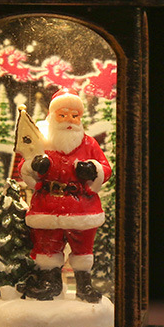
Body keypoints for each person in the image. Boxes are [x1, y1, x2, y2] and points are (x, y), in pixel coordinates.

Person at [18, 88, 112, 302]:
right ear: (52, 116)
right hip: (46, 207)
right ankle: (50, 284)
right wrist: (34, 166)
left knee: (83, 249)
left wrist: (93, 169)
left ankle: (84, 286)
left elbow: (107, 168)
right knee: (47, 247)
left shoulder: (88, 143)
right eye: (63, 114)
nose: (69, 119)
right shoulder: (41, 142)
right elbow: (25, 165)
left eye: (74, 115)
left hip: (82, 209)